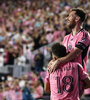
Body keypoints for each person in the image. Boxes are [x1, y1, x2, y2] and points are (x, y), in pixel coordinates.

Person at [48, 8, 90, 73]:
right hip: (66, 76)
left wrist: (59, 61)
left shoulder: (84, 35)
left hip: (79, 77)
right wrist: (54, 61)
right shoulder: (66, 38)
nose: (67, 18)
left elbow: (76, 53)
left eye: (70, 16)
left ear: (77, 19)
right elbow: (61, 55)